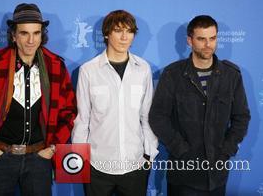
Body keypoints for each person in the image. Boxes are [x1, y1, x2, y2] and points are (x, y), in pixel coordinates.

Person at [0, 3, 77, 196]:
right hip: (0, 157)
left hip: (39, 159)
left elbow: (69, 112)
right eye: (24, 33)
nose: (31, 40)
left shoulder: (55, 67)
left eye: (36, 33)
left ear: (42, 35)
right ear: (14, 36)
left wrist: (53, 147)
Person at [149, 15, 250, 196]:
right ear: (190, 40)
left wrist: (226, 150)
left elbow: (241, 117)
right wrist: (181, 150)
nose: (208, 44)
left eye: (212, 38)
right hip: (183, 174)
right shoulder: (172, 75)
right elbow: (158, 116)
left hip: (217, 175)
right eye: (201, 39)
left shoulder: (231, 75)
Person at [72, 10, 158, 196]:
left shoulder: (143, 69)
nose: (125, 37)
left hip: (135, 164)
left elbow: (147, 116)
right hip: (97, 166)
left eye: (130, 31)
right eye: (118, 30)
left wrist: (149, 154)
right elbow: (82, 119)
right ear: (106, 34)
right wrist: (80, 159)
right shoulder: (88, 70)